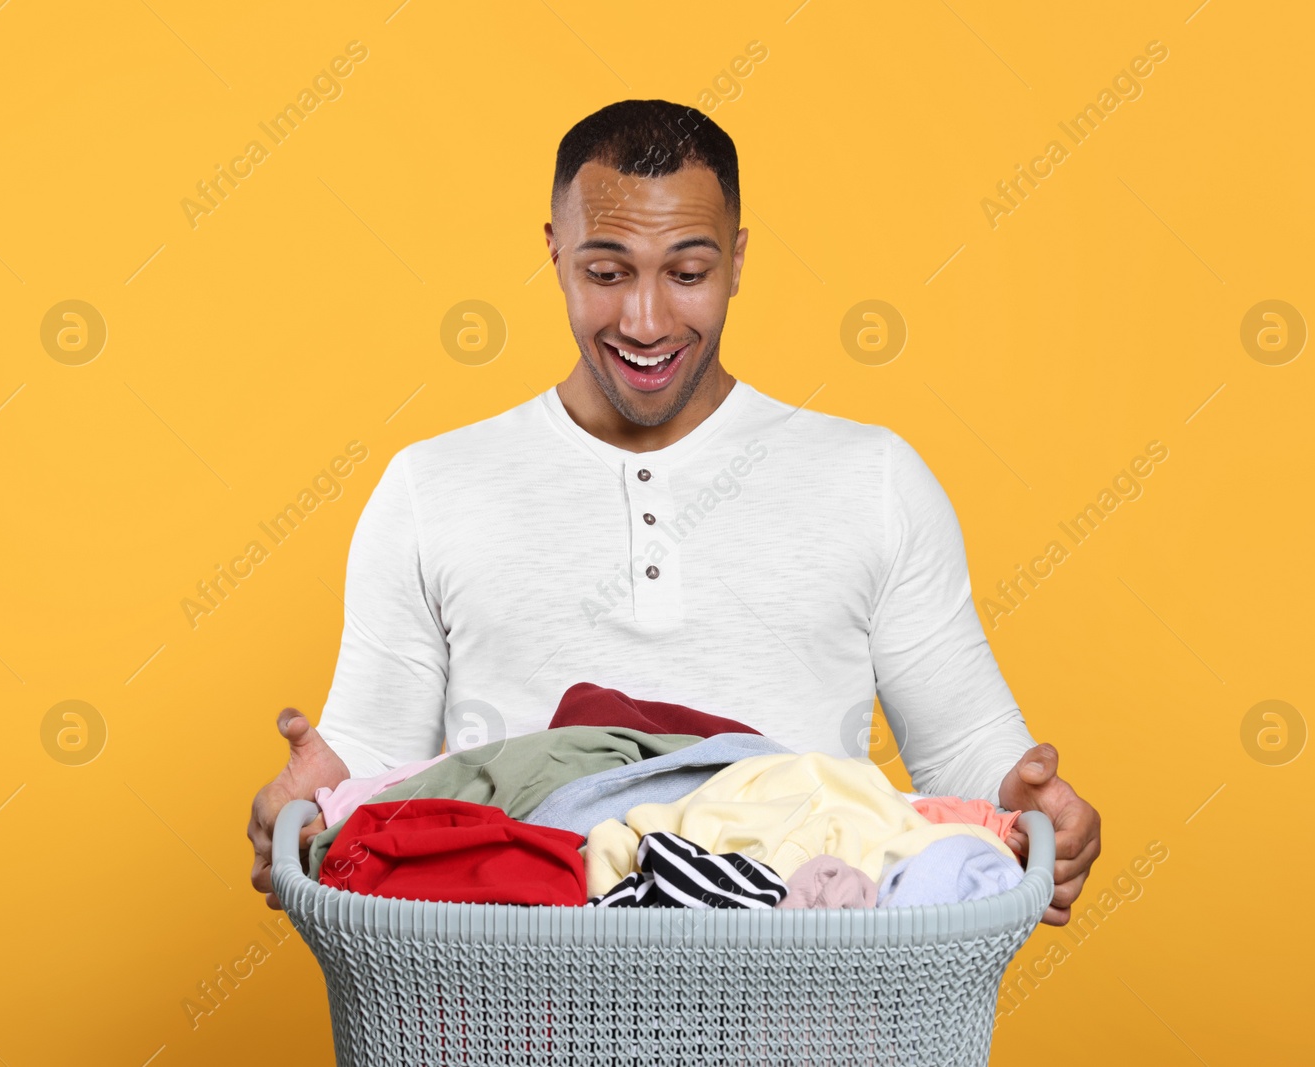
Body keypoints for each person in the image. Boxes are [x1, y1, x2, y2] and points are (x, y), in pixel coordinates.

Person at [247, 99, 1100, 923]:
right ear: (555, 253)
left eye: (688, 273)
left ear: (736, 260)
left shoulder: (873, 477)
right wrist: (311, 803)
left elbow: (965, 753)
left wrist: (1030, 811)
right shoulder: (430, 487)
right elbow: (379, 780)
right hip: (509, 994)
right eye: (606, 273)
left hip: (806, 997)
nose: (646, 319)